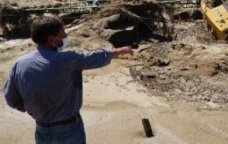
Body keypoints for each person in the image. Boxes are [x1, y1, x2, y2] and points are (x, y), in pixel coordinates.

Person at [3, 16, 133, 143]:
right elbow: (92, 57)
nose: (65, 36)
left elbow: (10, 98)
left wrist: (32, 110)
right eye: (63, 33)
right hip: (69, 130)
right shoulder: (67, 60)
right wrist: (117, 52)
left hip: (41, 129)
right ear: (51, 40)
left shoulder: (19, 63)